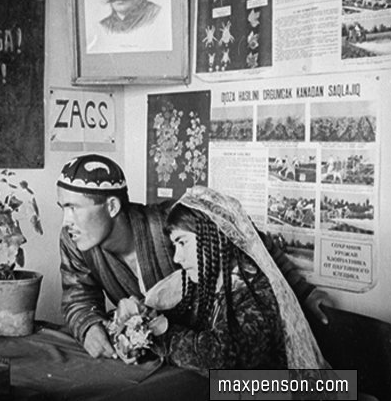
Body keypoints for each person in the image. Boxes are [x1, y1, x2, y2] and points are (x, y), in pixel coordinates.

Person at [56, 154, 332, 359]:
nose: (67, 221)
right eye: (63, 208)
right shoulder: (75, 240)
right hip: (170, 356)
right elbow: (78, 295)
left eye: (73, 208)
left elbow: (249, 240)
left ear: (112, 206)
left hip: (206, 351)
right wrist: (89, 327)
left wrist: (303, 291)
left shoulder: (173, 223)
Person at [144, 186, 326, 371]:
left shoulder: (258, 295)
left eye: (183, 242)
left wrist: (163, 333)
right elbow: (180, 321)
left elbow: (219, 358)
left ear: (214, 239)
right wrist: (142, 322)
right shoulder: (205, 285)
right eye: (175, 245)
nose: (177, 258)